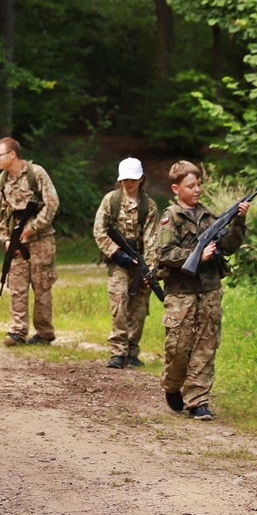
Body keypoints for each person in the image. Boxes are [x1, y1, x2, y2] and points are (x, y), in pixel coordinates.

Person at [155, 160, 250, 421]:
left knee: (206, 346)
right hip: (181, 293)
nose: (197, 189)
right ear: (176, 188)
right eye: (190, 185)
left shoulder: (210, 217)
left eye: (199, 184)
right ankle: (172, 384)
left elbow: (228, 247)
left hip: (209, 289)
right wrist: (195, 255)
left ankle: (198, 401)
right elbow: (164, 252)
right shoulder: (171, 217)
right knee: (178, 347)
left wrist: (239, 221)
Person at [0, 137, 60, 346]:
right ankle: (17, 331)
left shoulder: (36, 174)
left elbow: (52, 204)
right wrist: (6, 239)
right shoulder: (2, 181)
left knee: (42, 287)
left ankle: (44, 333)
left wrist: (32, 228)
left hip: (41, 240)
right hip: (17, 241)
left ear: (12, 154)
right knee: (17, 286)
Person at [93, 157, 159, 369]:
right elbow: (99, 231)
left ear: (141, 179)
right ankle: (118, 351)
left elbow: (151, 238)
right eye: (126, 179)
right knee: (119, 303)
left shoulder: (148, 205)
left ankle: (132, 350)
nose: (129, 183)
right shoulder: (111, 201)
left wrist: (149, 269)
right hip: (118, 261)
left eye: (133, 179)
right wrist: (115, 252)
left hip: (140, 260)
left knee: (139, 307)